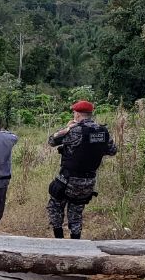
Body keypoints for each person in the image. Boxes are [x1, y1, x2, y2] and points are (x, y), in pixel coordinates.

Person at [46, 100, 117, 239]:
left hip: (69, 179)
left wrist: (66, 129)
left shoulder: (75, 131)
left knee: (55, 205)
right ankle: (75, 242)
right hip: (89, 181)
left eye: (74, 112)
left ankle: (59, 241)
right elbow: (112, 150)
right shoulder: (102, 131)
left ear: (77, 114)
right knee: (76, 211)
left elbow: (52, 141)